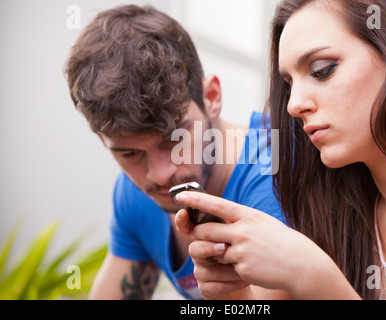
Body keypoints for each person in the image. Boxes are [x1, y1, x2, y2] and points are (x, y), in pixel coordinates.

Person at [175, 0, 386, 299]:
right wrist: (235, 295)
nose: (293, 104)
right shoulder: (331, 215)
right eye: (289, 83)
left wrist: (315, 278)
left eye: (322, 70)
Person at [65, 4, 285, 300]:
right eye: (129, 154)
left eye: (173, 140)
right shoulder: (135, 195)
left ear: (212, 98)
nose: (159, 174)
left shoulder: (275, 173)